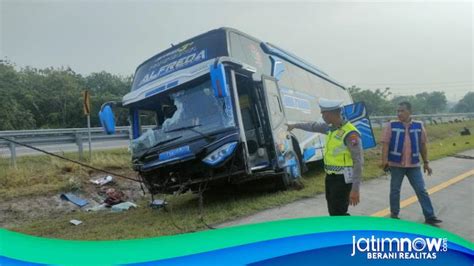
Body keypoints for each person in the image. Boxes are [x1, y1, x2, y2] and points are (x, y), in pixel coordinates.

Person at [287, 98, 363, 216]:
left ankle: (345, 233)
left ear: (331, 114)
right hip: (331, 178)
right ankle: (340, 232)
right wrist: (295, 125)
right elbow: (312, 126)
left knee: (339, 212)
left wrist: (355, 189)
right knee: (334, 211)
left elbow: (358, 162)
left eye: (323, 113)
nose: (322, 116)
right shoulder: (330, 128)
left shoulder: (351, 133)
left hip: (343, 179)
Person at [380, 101, 442, 226]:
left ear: (410, 112)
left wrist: (426, 162)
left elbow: (423, 145)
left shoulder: (419, 126)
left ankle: (430, 216)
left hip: (413, 165)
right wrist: (384, 160)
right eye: (398, 111)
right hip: (396, 164)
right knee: (395, 190)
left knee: (421, 190)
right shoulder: (391, 125)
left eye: (402, 110)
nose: (399, 113)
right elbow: (385, 144)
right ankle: (394, 214)